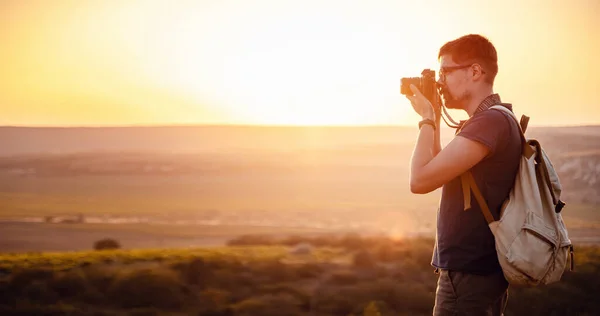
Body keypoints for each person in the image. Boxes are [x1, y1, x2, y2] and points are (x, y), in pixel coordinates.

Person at [405, 34, 522, 315]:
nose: (440, 81)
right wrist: (432, 112)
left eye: (446, 71)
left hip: (469, 276)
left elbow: (420, 180)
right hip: (478, 273)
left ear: (475, 71)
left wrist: (426, 119)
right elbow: (436, 169)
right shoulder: (493, 120)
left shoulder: (490, 123)